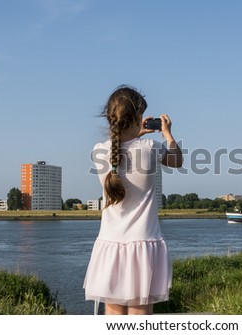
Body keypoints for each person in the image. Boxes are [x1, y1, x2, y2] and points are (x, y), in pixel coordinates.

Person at [83, 85, 183, 315]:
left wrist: (135, 132)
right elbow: (177, 160)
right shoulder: (150, 148)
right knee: (140, 316)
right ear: (138, 117)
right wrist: (167, 133)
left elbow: (120, 149)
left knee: (113, 315)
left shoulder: (99, 151)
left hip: (110, 245)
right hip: (143, 245)